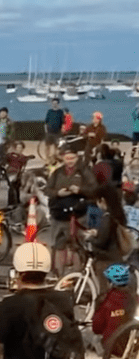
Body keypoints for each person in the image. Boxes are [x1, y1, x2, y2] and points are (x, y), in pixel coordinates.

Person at [48, 146, 97, 274]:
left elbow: (94, 190)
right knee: (58, 246)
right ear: (63, 158)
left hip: (78, 216)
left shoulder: (85, 172)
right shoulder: (57, 172)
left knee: (77, 247)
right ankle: (58, 276)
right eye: (67, 158)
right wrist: (58, 193)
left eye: (72, 158)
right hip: (59, 215)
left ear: (77, 158)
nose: (70, 161)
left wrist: (80, 190)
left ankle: (77, 277)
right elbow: (48, 190)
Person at [85, 184, 133, 279]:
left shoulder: (107, 218)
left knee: (104, 291)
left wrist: (89, 238)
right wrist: (97, 232)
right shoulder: (117, 215)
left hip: (107, 260)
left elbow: (101, 242)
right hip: (116, 257)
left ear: (102, 200)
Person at [89, 264, 136, 354]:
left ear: (111, 283)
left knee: (87, 335)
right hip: (130, 347)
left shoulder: (105, 300)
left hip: (110, 347)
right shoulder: (134, 298)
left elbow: (97, 328)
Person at [41, 99, 65, 163]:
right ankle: (47, 158)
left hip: (57, 133)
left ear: (58, 104)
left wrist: (62, 131)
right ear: (52, 104)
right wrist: (46, 131)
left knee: (56, 147)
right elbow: (46, 122)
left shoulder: (60, 112)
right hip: (49, 132)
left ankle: (55, 158)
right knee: (47, 146)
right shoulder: (49, 111)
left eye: (56, 103)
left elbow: (62, 122)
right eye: (53, 103)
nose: (54, 104)